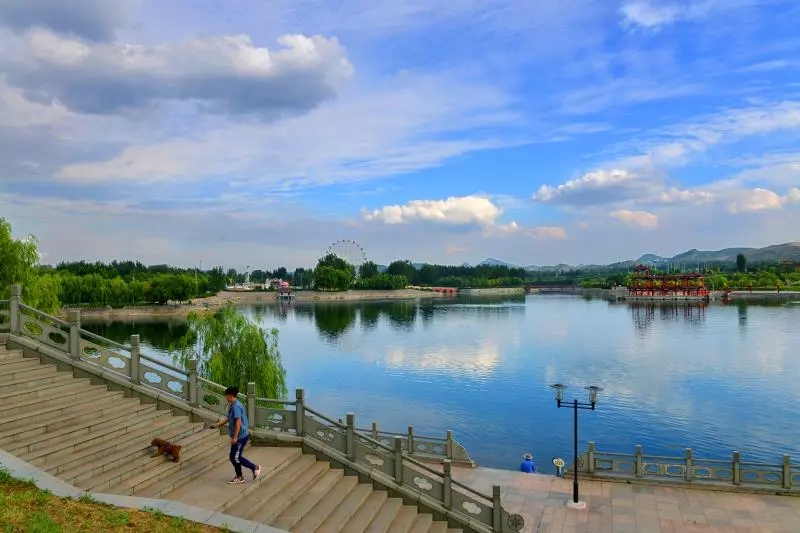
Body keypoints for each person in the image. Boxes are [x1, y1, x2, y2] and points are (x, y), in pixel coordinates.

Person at [209, 386, 262, 484]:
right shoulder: (232, 405)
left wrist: (235, 437)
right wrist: (217, 425)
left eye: (226, 396)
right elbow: (229, 418)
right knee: (233, 457)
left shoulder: (236, 406)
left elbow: (238, 422)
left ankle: (254, 467)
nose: (226, 398)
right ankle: (239, 476)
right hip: (239, 436)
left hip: (240, 437)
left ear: (230, 396)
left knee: (236, 457)